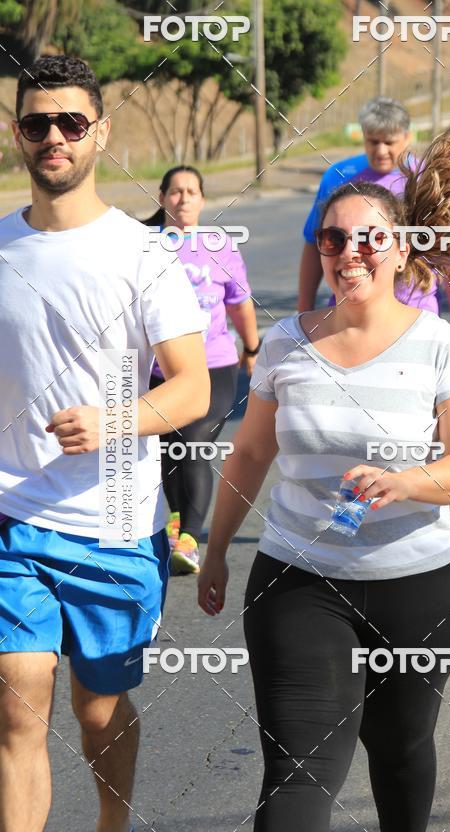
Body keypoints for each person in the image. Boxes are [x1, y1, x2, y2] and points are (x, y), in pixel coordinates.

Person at [198, 113, 450, 832]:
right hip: (300, 581)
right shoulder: (284, 344)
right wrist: (213, 552)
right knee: (300, 762)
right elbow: (248, 455)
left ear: (402, 249)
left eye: (370, 239)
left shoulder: (445, 343)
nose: (351, 253)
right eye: (334, 240)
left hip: (421, 586)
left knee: (401, 740)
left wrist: (406, 482)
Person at [0, 55, 210, 832]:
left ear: (100, 134)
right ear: (17, 134)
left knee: (98, 713)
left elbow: (191, 388)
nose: (53, 137)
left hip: (117, 523)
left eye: (71, 123)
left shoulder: (143, 253)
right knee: (18, 705)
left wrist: (115, 420)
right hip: (16, 516)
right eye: (36, 123)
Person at [143, 166, 260, 575]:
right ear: (162, 197)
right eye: (175, 191)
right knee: (163, 449)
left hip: (215, 365)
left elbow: (239, 303)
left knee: (192, 440)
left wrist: (252, 347)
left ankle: (190, 538)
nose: (183, 199)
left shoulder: (219, 244)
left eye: (192, 191)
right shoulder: (144, 245)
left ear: (203, 200)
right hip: (158, 370)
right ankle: (174, 522)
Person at [297, 96, 450, 345]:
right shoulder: (338, 175)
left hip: (414, 312)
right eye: (373, 141)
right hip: (349, 314)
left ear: (407, 137)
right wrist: (303, 311)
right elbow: (314, 243)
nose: (381, 150)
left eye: (389, 142)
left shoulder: (429, 180)